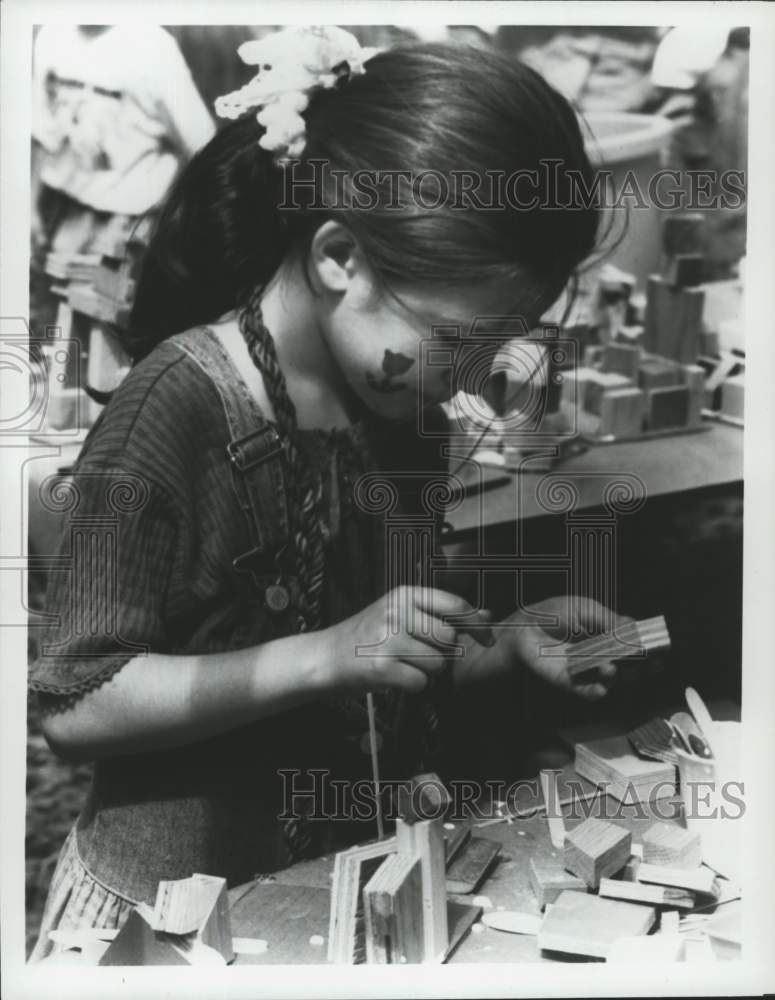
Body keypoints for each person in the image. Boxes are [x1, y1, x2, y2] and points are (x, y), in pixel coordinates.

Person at [29, 28, 625, 961]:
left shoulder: (398, 410)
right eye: (462, 336)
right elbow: (74, 704)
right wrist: (322, 655)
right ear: (339, 256)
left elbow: (371, 667)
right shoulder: (175, 403)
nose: (482, 374)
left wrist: (497, 649)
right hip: (170, 930)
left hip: (332, 896)